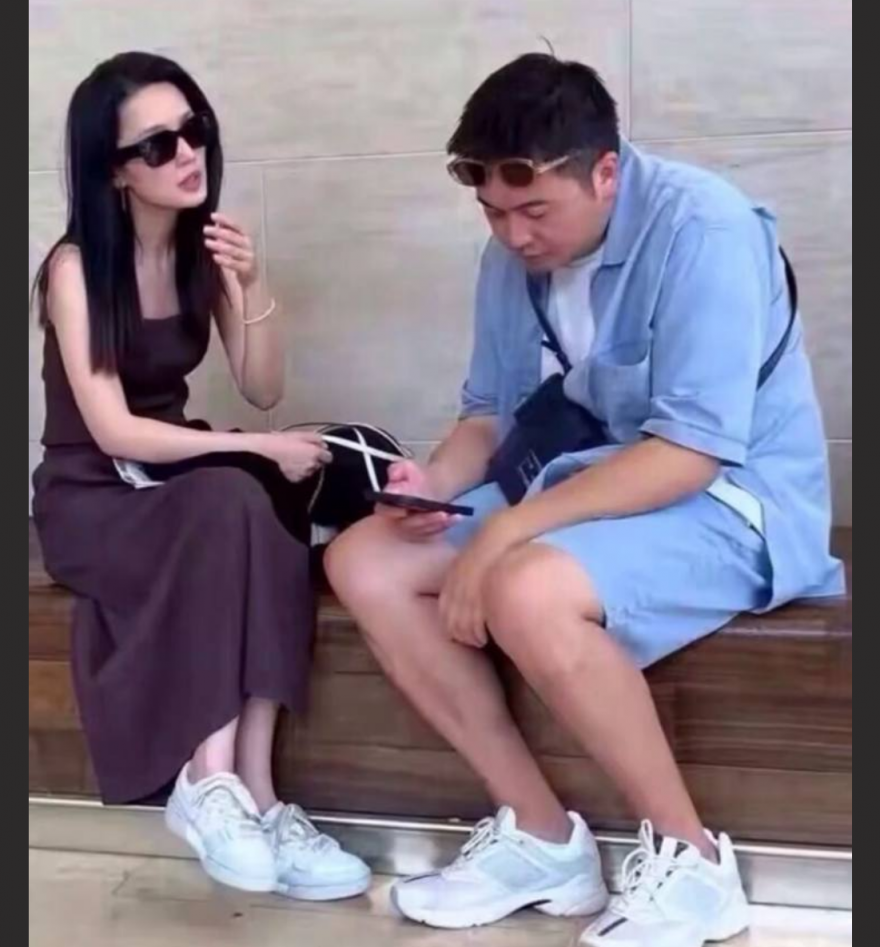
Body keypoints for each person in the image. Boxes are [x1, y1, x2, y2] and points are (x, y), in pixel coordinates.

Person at [326, 54, 845, 946]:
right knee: (364, 559)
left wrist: (507, 535)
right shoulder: (509, 257)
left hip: (736, 499)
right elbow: (486, 417)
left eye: (534, 210)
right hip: (592, 486)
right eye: (494, 212)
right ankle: (540, 836)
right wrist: (431, 486)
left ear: (606, 171)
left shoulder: (707, 230)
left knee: (525, 586)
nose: (515, 235)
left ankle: (694, 866)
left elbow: (689, 453)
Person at [31, 51, 370, 902]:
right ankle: (208, 778)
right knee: (235, 489)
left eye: (195, 131)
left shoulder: (200, 248)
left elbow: (262, 386)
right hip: (93, 493)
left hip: (169, 475)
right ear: (115, 171)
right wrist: (255, 449)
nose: (188, 154)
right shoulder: (75, 268)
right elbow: (111, 428)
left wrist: (251, 284)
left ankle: (259, 795)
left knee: (268, 493)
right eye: (158, 145)